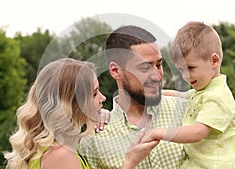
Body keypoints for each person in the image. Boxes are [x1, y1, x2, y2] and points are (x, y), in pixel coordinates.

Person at [4, 58, 159, 169]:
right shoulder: (61, 155)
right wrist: (130, 162)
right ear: (71, 103)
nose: (103, 98)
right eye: (94, 94)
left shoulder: (53, 148)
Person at [78, 25, 187, 168]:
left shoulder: (187, 110)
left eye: (159, 65)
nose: (157, 76)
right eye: (144, 68)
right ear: (116, 71)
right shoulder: (94, 141)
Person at [143, 21, 235, 169]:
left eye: (190, 68)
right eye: (181, 70)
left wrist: (157, 132)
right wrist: (152, 94)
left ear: (214, 60)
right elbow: (180, 95)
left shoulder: (217, 97)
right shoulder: (203, 92)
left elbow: (197, 132)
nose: (186, 76)